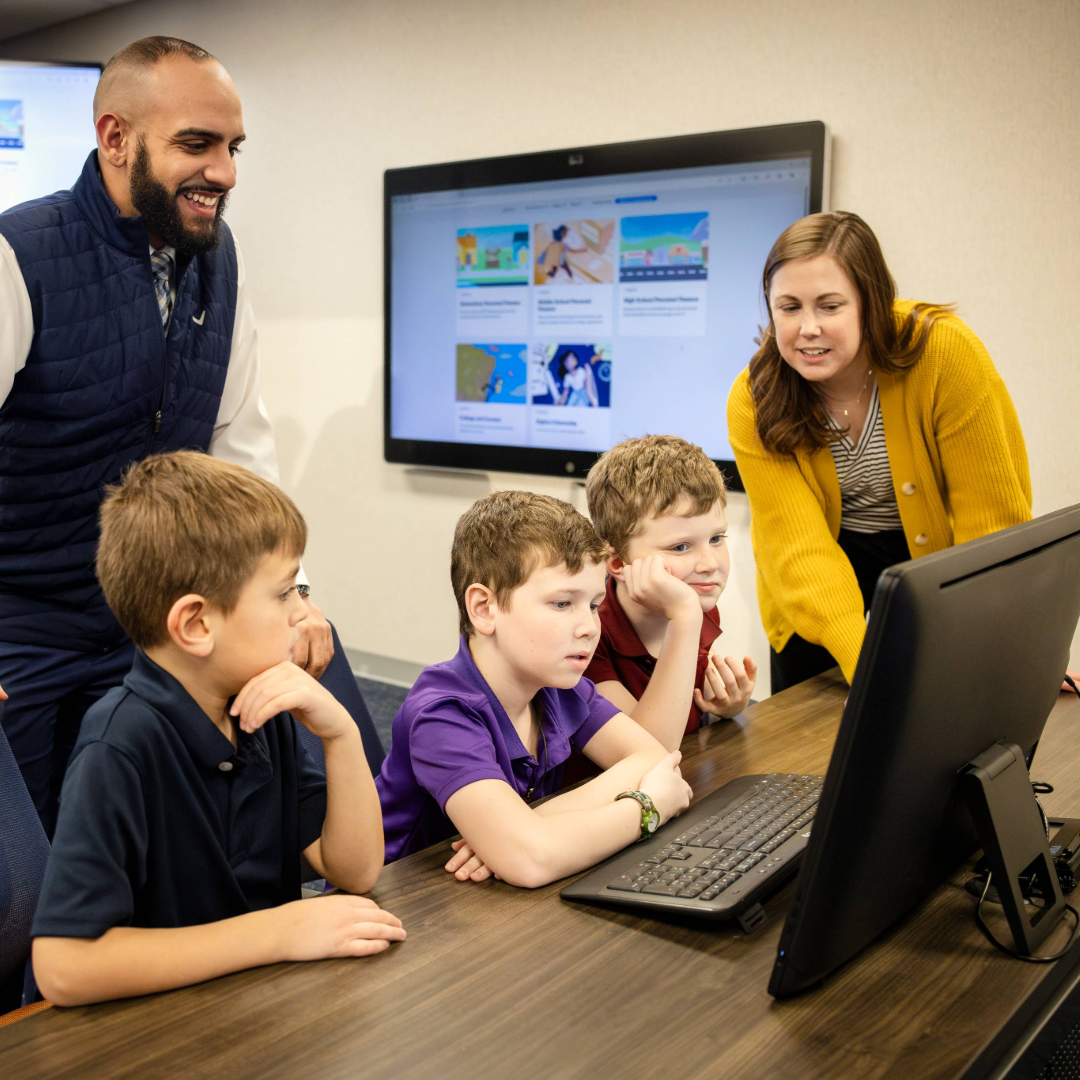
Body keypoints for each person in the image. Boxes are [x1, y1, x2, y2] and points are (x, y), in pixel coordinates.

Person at [0, 37, 332, 836]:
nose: (224, 170)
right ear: (116, 138)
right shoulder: (19, 253)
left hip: (149, 627)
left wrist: (294, 597)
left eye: (232, 147)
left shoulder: (217, 260)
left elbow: (239, 446)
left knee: (155, 852)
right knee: (27, 892)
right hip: (24, 630)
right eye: (196, 144)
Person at [31, 453, 403, 1007]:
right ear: (197, 624)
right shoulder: (120, 744)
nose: (303, 615)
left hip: (251, 1010)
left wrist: (341, 735)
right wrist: (277, 933)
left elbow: (355, 869)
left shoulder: (260, 707)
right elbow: (64, 967)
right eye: (283, 594)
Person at [727, 211, 1033, 692]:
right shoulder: (755, 397)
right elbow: (799, 548)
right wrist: (871, 674)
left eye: (830, 306)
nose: (808, 328)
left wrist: (1007, 650)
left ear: (870, 302)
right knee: (805, 739)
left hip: (930, 553)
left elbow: (990, 522)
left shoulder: (944, 354)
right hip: (818, 570)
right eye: (789, 307)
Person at [375, 490, 692, 886]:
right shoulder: (442, 714)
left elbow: (653, 757)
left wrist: (527, 827)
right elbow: (531, 863)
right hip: (404, 909)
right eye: (562, 604)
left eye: (593, 605)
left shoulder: (556, 685)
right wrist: (647, 807)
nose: (589, 627)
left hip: (484, 899)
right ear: (484, 608)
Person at [584, 435, 756, 752]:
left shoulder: (692, 600)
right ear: (617, 561)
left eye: (717, 538)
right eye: (680, 547)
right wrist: (685, 617)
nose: (709, 563)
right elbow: (649, 751)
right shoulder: (587, 635)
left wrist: (727, 705)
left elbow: (688, 706)